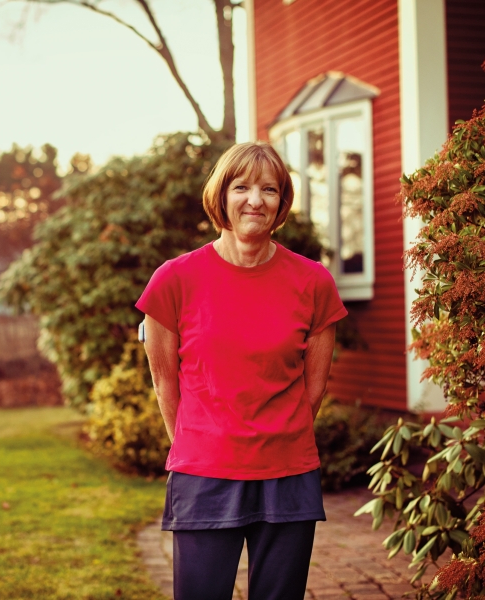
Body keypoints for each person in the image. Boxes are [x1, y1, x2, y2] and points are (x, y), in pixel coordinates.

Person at [136, 141, 347, 600]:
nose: (256, 199)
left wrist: (282, 435)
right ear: (221, 198)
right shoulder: (173, 279)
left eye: (269, 189)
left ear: (281, 202)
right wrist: (198, 442)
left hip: (287, 471)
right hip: (205, 471)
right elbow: (163, 381)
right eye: (242, 186)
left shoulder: (314, 282)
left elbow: (315, 386)